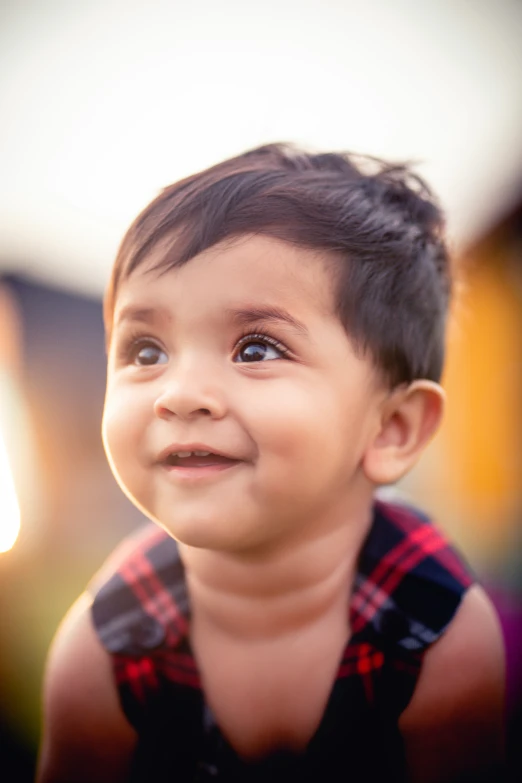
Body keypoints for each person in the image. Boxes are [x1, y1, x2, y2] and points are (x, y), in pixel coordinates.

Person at [37, 144, 505, 783]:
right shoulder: (107, 651)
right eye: (146, 351)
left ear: (391, 428)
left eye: (256, 348)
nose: (178, 394)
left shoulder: (437, 635)